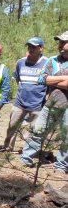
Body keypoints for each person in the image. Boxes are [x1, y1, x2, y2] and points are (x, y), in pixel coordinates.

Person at [21, 31, 68, 174]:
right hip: (51, 103)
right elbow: (42, 79)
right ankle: (26, 159)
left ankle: (61, 166)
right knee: (38, 131)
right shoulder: (52, 60)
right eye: (59, 42)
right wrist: (64, 78)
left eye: (63, 42)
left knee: (66, 137)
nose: (60, 46)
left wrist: (53, 80)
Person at [0, 37, 48, 152]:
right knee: (12, 127)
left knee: (34, 129)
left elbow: (50, 82)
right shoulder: (21, 62)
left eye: (34, 47)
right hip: (19, 103)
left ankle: (29, 151)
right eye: (29, 46)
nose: (30, 49)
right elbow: (17, 79)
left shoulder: (47, 63)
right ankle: (7, 148)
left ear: (41, 48)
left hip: (38, 104)